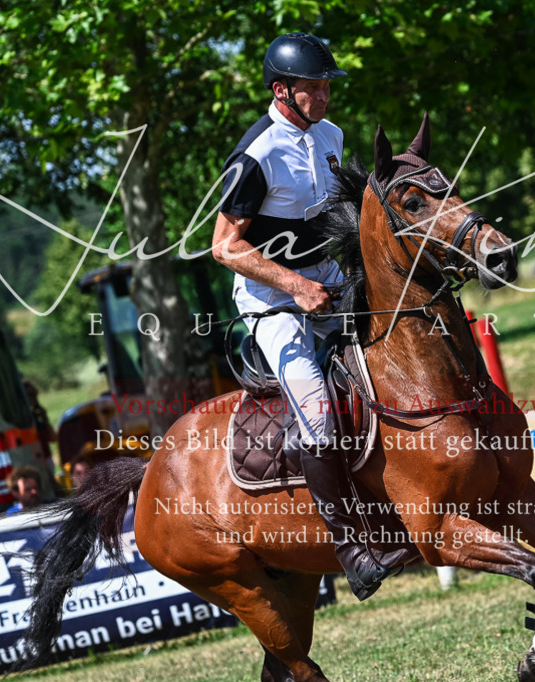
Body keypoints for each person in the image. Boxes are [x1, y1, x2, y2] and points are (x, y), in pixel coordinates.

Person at [212, 32, 403, 601]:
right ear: (282, 91)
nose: (324, 96)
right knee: (317, 413)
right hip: (272, 300)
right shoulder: (256, 155)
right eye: (313, 89)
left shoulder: (331, 135)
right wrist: (295, 286)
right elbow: (224, 247)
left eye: (326, 87)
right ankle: (352, 551)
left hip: (330, 278)